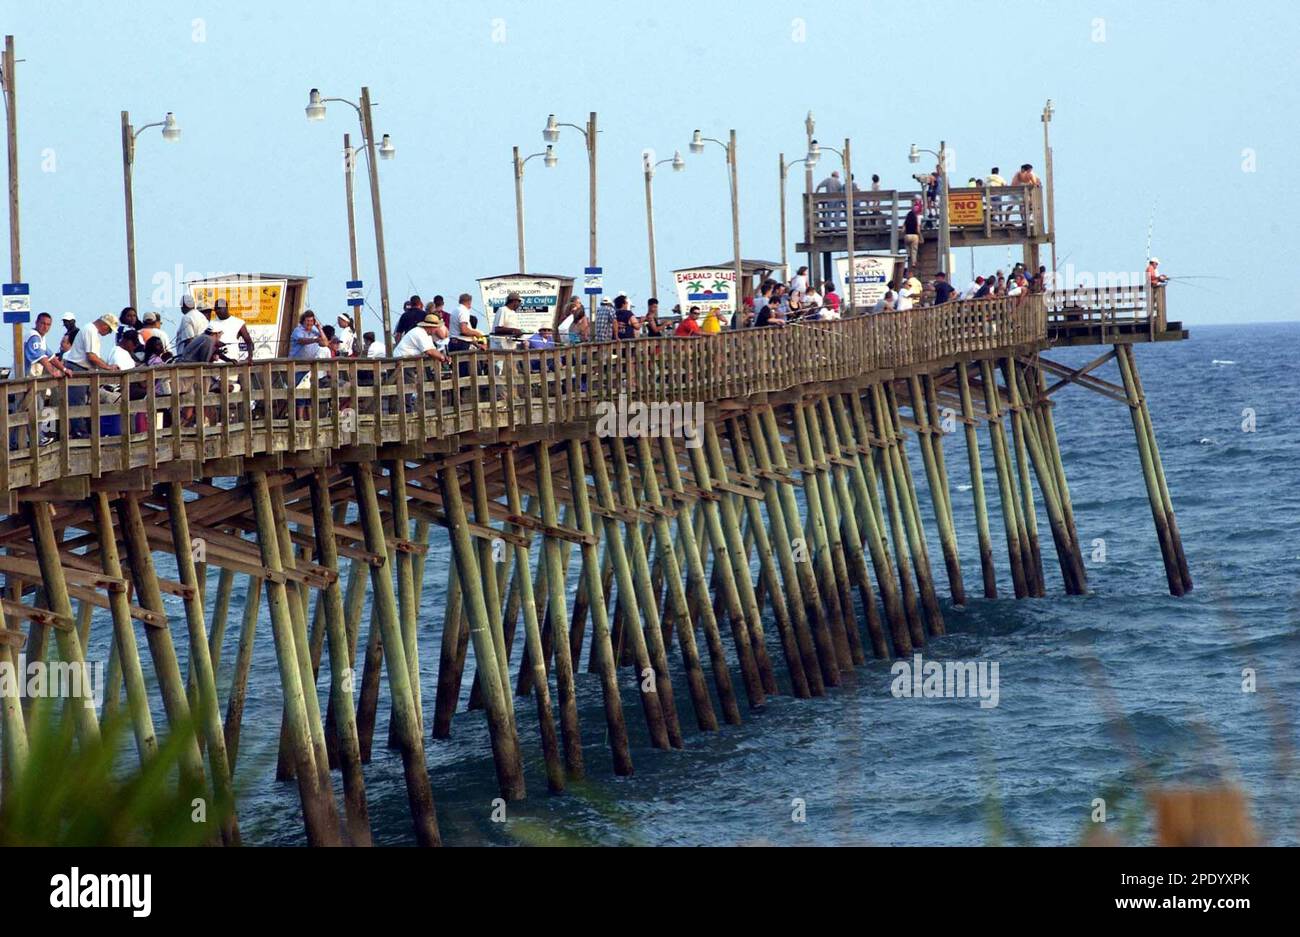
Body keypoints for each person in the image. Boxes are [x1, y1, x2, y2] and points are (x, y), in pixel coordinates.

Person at [24, 313, 70, 378]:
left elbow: (51, 358)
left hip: (29, 379)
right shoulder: (33, 336)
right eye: (43, 323)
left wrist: (64, 369)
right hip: (20, 379)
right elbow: (42, 358)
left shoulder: (41, 338)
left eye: (48, 325)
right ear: (36, 322)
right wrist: (53, 372)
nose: (45, 327)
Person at [903, 202, 923, 267]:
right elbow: (918, 230)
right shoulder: (916, 220)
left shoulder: (906, 221)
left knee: (907, 245)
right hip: (915, 236)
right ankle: (913, 262)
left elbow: (903, 230)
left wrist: (904, 234)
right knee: (914, 250)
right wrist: (920, 236)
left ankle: (908, 254)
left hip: (907, 235)